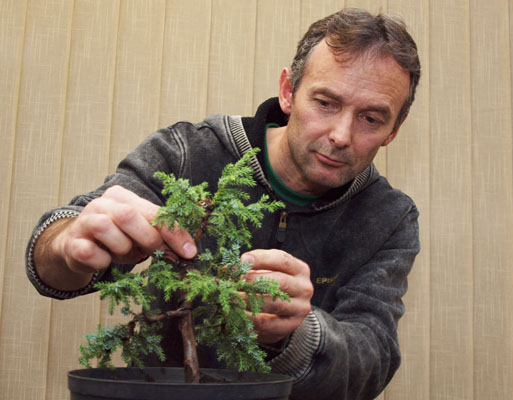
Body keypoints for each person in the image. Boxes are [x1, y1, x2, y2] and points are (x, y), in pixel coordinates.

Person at [26, 8, 421, 400]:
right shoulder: (188, 152)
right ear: (288, 91)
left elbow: (371, 361)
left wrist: (296, 334)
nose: (341, 135)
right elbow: (58, 252)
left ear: (393, 131)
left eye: (371, 119)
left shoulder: (389, 217)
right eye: (326, 102)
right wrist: (65, 245)